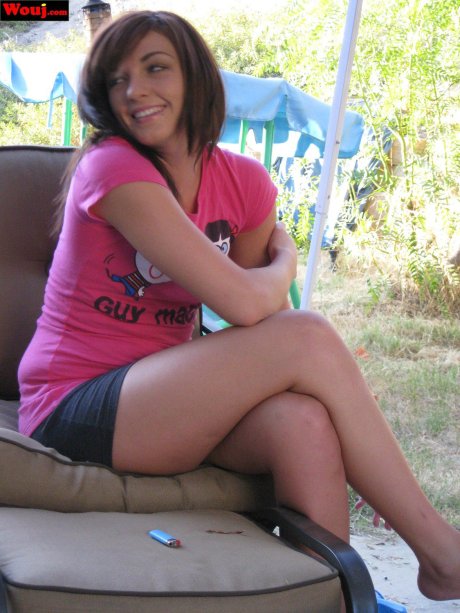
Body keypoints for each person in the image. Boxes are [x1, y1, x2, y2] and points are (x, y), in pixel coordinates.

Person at [18, 10, 459, 603]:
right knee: (307, 334)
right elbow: (249, 305)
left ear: (195, 76)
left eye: (155, 68)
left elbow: (261, 327)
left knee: (304, 422)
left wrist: (346, 404)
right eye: (117, 79)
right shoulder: (112, 168)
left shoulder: (245, 183)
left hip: (167, 402)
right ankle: (443, 554)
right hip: (73, 403)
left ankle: (328, 598)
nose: (135, 90)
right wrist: (287, 259)